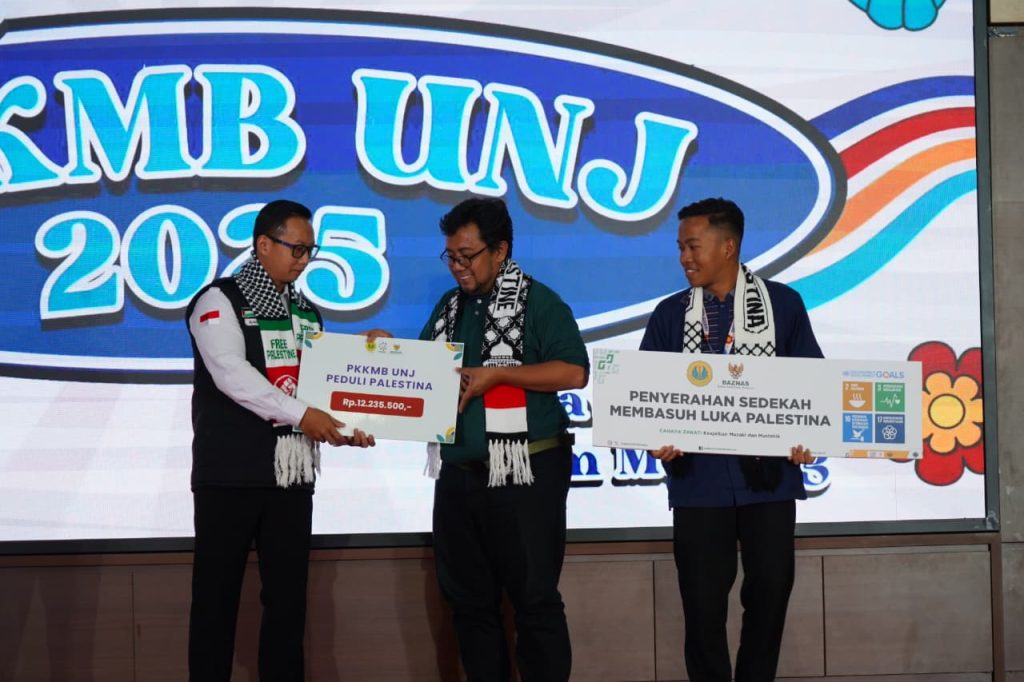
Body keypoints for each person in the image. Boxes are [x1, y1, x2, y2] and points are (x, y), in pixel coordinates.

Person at [372, 196, 588, 681]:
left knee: (534, 601)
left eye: (467, 255)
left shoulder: (539, 301)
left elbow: (574, 371)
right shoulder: (449, 307)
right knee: (469, 605)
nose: (457, 266)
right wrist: (388, 352)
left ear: (501, 250)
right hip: (459, 475)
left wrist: (499, 375)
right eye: (450, 256)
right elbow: (425, 373)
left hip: (525, 472)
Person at [185, 199, 374, 682]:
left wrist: (355, 401)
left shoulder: (307, 313)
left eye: (310, 250)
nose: (304, 260)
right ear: (263, 244)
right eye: (296, 248)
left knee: (288, 605)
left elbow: (321, 389)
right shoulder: (218, 300)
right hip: (230, 475)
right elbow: (232, 374)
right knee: (215, 603)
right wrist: (304, 415)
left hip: (291, 478)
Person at [641, 197, 819, 682]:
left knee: (770, 593)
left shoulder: (782, 305)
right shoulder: (670, 314)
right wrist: (654, 438)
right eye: (680, 247)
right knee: (701, 606)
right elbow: (643, 397)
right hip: (698, 482)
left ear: (728, 246)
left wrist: (807, 436)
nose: (684, 258)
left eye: (693, 246)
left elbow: (814, 387)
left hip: (770, 481)